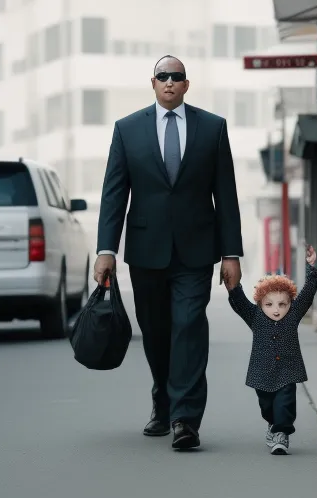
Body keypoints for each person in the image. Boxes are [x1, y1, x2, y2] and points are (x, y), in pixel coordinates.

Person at [93, 55, 244, 450]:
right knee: (157, 333)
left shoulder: (212, 128)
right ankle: (163, 395)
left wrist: (231, 253)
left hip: (196, 251)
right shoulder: (127, 130)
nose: (170, 82)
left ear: (187, 84)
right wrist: (105, 249)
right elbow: (114, 193)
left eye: (177, 77)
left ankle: (185, 419)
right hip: (146, 251)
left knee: (191, 327)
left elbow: (225, 195)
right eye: (164, 77)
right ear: (153, 83)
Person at [224, 245, 317, 455]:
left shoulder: (293, 315)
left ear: (290, 304)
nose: (276, 310)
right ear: (260, 304)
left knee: (285, 403)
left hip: (287, 370)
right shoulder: (255, 317)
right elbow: (239, 302)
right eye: (269, 304)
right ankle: (272, 424)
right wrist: (231, 285)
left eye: (282, 304)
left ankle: (281, 434)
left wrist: (311, 268)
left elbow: (308, 294)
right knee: (267, 406)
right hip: (262, 372)